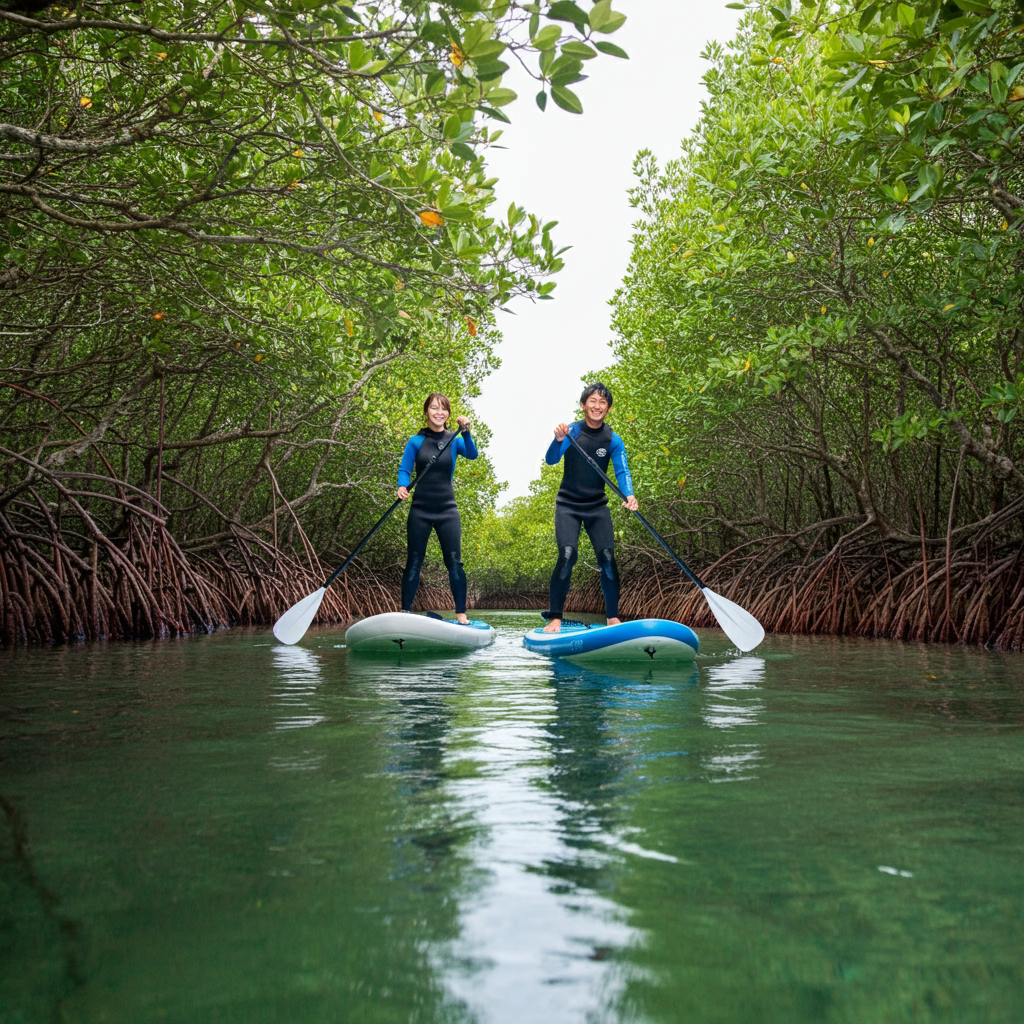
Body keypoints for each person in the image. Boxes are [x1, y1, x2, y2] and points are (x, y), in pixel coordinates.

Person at [542, 381, 638, 634]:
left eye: (603, 402)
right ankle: (555, 618)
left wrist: (629, 494)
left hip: (597, 507)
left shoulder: (612, 439)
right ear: (583, 405)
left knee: (607, 558)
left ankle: (612, 618)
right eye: (592, 401)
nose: (597, 406)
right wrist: (558, 439)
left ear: (608, 409)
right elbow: (551, 460)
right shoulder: (571, 431)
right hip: (568, 506)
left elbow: (622, 469)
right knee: (567, 554)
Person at [397, 393, 478, 623]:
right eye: (434, 408)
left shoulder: (455, 440)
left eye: (443, 409)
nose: (439, 412)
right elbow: (405, 469)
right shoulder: (415, 441)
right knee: (414, 560)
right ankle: (405, 613)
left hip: (447, 510)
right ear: (427, 412)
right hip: (420, 510)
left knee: (454, 562)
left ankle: (461, 614)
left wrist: (466, 431)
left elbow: (473, 454)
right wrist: (402, 486)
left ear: (449, 414)